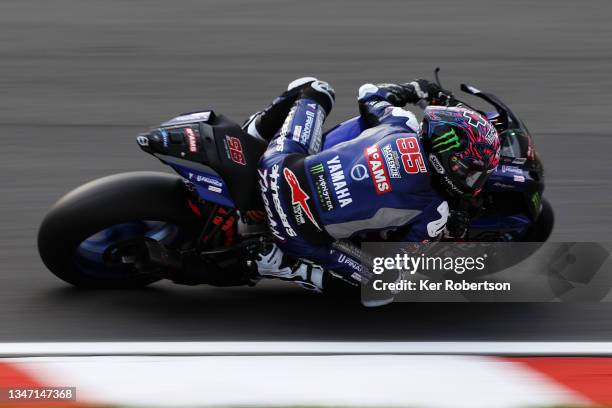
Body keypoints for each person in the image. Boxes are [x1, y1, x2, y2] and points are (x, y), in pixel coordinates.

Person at [245, 76, 500, 298]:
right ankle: (282, 265)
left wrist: (413, 89)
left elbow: (370, 93)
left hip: (277, 168)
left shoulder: (400, 123)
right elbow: (397, 260)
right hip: (296, 232)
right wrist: (447, 234)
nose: (473, 183)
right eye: (469, 172)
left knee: (314, 88)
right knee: (387, 281)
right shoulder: (436, 211)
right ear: (446, 156)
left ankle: (251, 137)